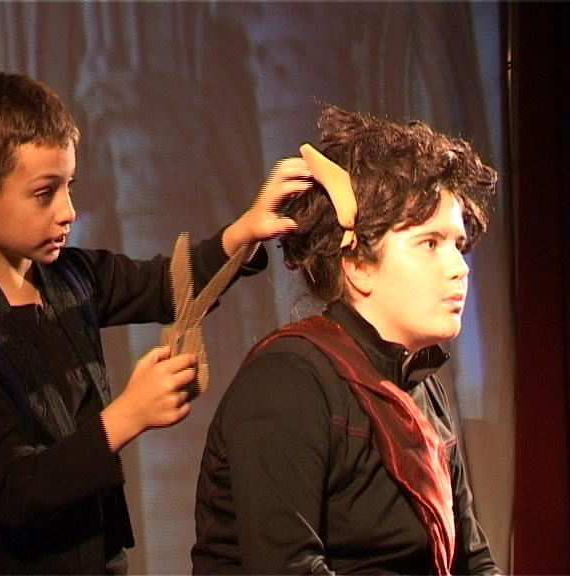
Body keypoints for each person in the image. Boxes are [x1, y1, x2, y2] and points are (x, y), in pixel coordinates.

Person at [0, 70, 312, 575]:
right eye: (44, 193)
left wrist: (243, 233)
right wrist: (129, 414)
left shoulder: (69, 276)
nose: (68, 211)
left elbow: (165, 284)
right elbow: (16, 489)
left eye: (68, 187)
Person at [192, 104, 502, 575]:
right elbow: (289, 569)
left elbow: (472, 561)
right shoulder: (289, 382)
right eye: (430, 243)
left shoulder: (422, 389)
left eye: (457, 246)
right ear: (357, 265)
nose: (460, 267)